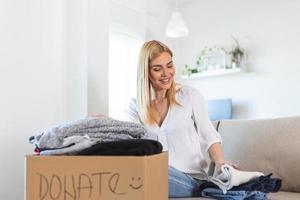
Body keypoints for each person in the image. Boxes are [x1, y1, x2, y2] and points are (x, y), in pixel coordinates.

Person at [127, 40, 231, 198]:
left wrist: (221, 164)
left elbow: (209, 136)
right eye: (157, 69)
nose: (166, 73)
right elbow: (129, 142)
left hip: (191, 179)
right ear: (145, 72)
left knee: (153, 170)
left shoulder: (189, 96)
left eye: (169, 65)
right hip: (152, 176)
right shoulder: (136, 106)